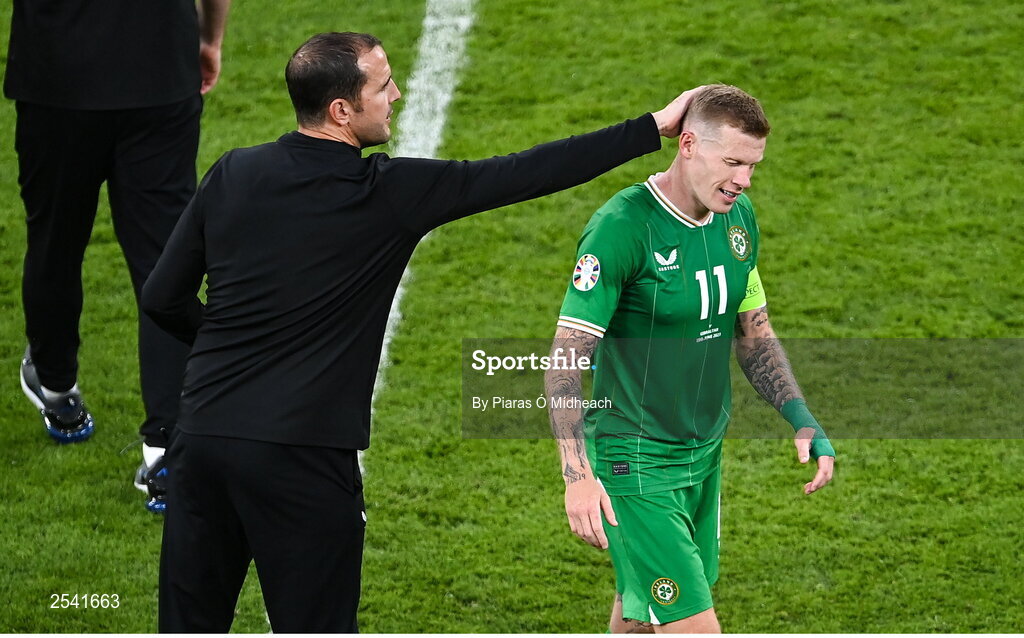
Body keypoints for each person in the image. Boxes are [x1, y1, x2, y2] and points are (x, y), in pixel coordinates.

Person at [141, 31, 702, 633]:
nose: (398, 94)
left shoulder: (233, 172)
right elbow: (523, 173)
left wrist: (230, 351)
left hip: (200, 442)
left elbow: (161, 298)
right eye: (383, 87)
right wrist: (652, 127)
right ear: (341, 111)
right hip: (302, 461)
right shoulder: (386, 195)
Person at [544, 84, 836, 634]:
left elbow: (753, 330)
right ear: (688, 146)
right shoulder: (623, 228)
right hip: (637, 463)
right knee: (694, 627)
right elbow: (566, 358)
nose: (744, 180)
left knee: (642, 612)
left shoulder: (738, 221)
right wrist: (578, 475)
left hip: (703, 456)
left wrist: (799, 414)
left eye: (752, 166)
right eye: (732, 163)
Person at [5, 0, 232, 512]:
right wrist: (209, 37)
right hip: (159, 71)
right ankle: (165, 451)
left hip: (54, 78)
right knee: (164, 264)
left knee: (54, 241)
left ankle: (58, 390)